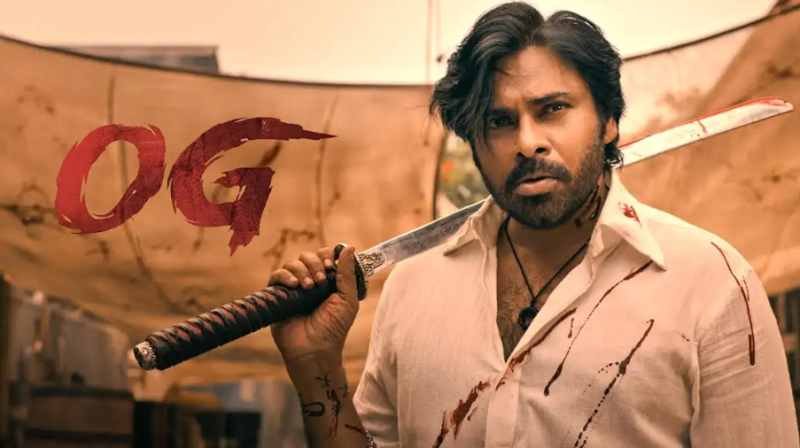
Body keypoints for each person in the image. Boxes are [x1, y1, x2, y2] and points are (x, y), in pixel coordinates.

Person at [269, 2, 800, 447]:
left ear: (608, 120)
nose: (527, 142)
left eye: (552, 109)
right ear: (474, 143)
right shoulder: (413, 286)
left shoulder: (712, 283)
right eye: (499, 121)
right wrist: (316, 366)